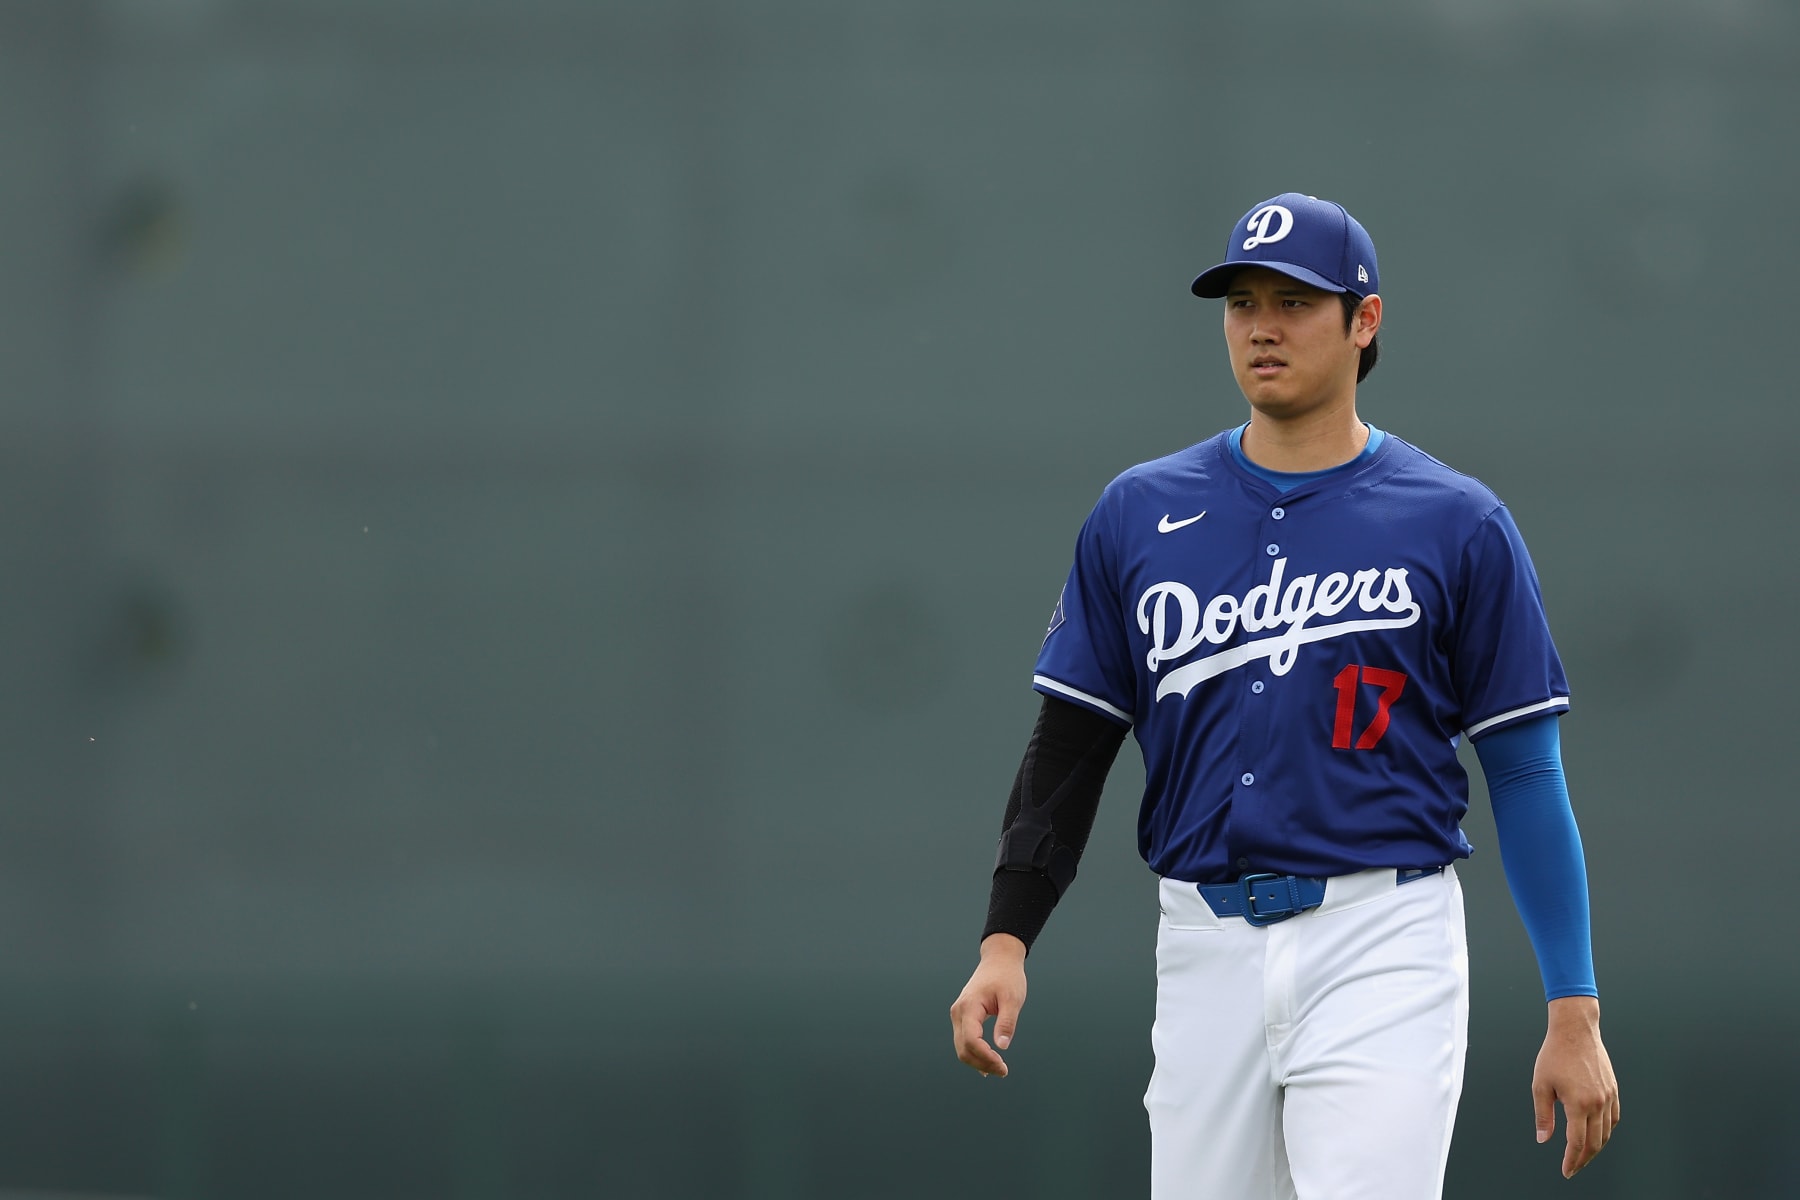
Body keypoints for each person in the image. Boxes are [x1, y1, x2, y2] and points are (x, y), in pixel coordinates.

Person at [948, 193, 1619, 1198]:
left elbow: (1523, 769)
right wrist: (1007, 938)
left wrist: (1575, 1011)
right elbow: (1071, 745)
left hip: (1381, 938)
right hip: (1203, 941)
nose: (1263, 324)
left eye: (1297, 301)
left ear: (1366, 321)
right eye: (1242, 301)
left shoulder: (1457, 523)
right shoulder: (1139, 513)